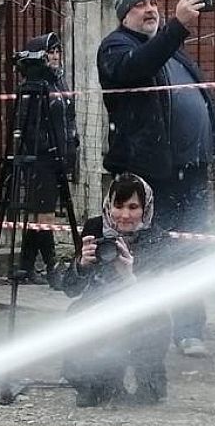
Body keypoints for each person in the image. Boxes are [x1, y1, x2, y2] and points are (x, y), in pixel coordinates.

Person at [97, 0, 215, 359]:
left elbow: (204, 97)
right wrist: (178, 25)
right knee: (150, 252)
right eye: (139, 4)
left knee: (191, 250)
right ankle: (139, 327)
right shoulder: (117, 47)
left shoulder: (174, 50)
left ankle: (190, 330)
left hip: (191, 171)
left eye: (153, 3)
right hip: (152, 173)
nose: (150, 9)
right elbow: (135, 69)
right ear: (124, 14)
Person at [61, 174, 172, 407]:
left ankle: (149, 383)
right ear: (108, 205)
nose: (125, 215)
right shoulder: (95, 227)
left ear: (146, 207)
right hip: (98, 305)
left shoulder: (157, 237)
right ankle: (93, 383)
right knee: (77, 312)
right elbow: (70, 288)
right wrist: (81, 265)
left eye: (133, 207)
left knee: (155, 320)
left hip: (141, 310)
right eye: (118, 206)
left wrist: (129, 276)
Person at [14, 31, 78, 286]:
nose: (54, 56)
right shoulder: (34, 86)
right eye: (49, 52)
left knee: (40, 215)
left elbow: (68, 119)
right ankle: (52, 268)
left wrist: (72, 148)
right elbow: (24, 124)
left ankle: (25, 266)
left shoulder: (59, 83)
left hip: (60, 158)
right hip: (41, 160)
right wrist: (44, 147)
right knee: (45, 216)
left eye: (57, 51)